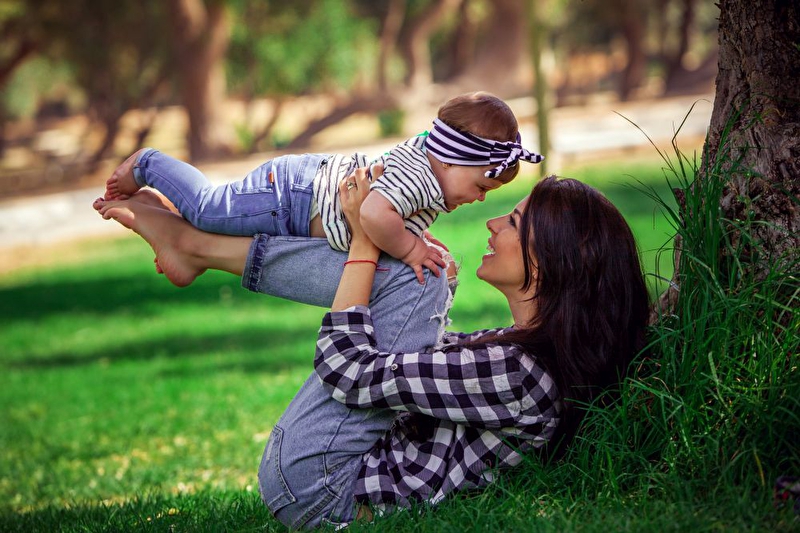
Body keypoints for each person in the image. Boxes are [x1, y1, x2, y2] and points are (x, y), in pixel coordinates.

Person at [93, 169, 649, 529]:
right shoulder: (520, 358)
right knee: (418, 270)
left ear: (551, 259)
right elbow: (421, 364)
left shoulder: (521, 373)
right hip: (331, 474)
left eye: (515, 221)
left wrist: (364, 239)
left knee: (411, 272)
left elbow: (350, 373)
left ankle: (194, 245)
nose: (493, 221)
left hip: (318, 485)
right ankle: (193, 245)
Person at [103, 92, 543, 283]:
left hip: (298, 201)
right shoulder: (422, 178)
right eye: (481, 184)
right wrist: (411, 249)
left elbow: (392, 209)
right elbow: (373, 214)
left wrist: (415, 235)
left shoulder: (429, 166)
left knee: (215, 222)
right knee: (208, 207)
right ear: (451, 158)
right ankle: (149, 164)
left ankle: (162, 219)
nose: (480, 197)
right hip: (291, 195)